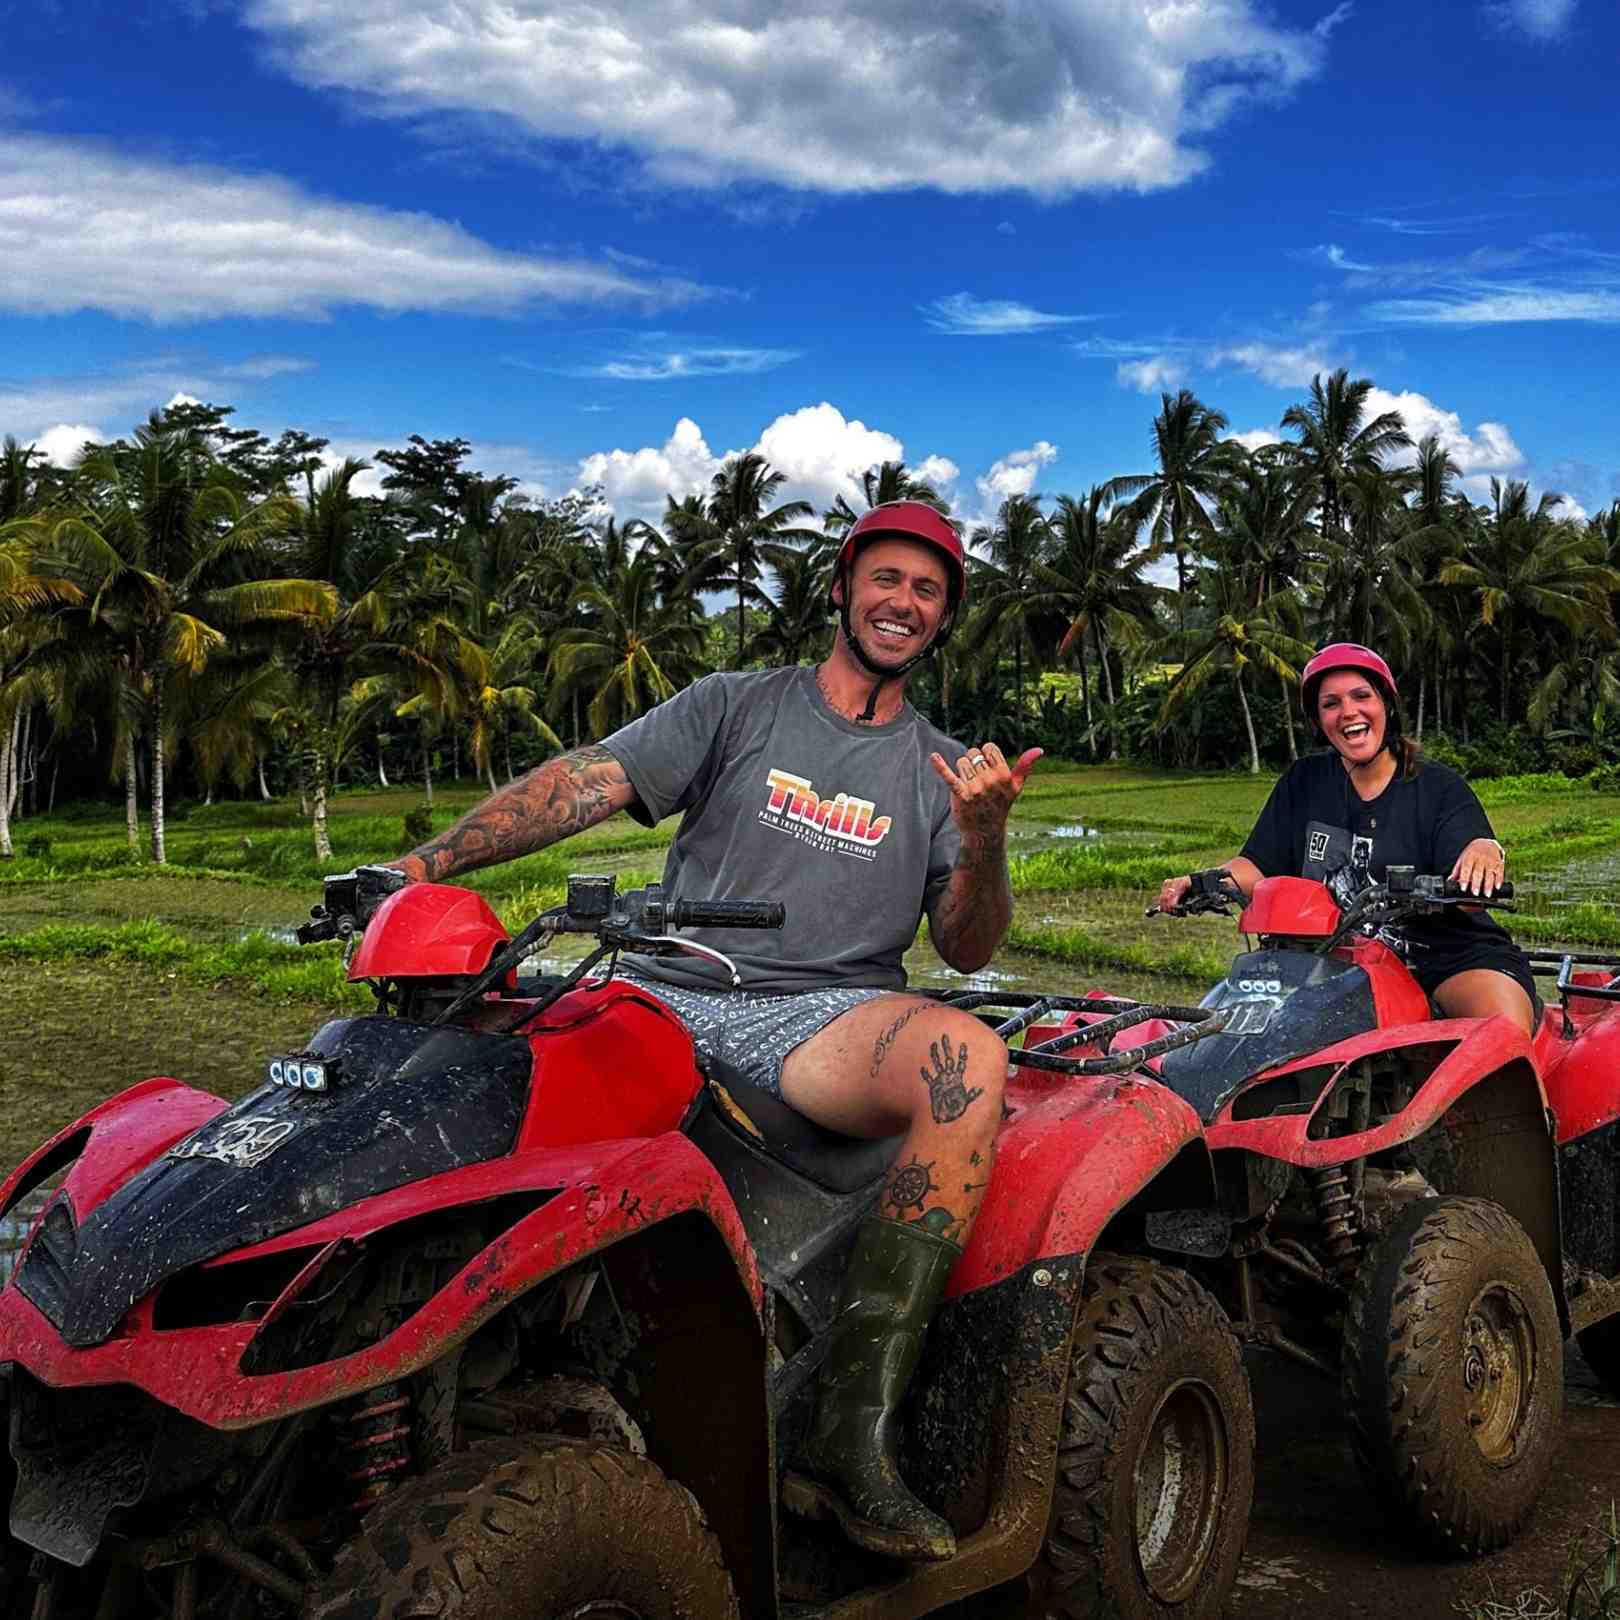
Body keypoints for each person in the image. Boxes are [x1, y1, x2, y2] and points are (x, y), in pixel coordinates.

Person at [387, 500, 1041, 1562]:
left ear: (942, 619)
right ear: (842, 589)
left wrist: (983, 840)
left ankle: (848, 1437)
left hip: (820, 1016)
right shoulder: (737, 706)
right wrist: (426, 867)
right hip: (666, 983)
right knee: (467, 1071)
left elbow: (966, 948)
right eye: (885, 578)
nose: (902, 603)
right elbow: (586, 783)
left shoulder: (942, 771)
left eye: (927, 591)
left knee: (967, 1059)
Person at [1156, 642, 1535, 1034]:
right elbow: (1257, 866)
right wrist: (1202, 882)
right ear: (1319, 720)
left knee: (1501, 1032)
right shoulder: (1304, 783)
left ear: (1386, 704)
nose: (1348, 712)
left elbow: (1472, 859)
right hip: (1332, 965)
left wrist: (1483, 852)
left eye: (1361, 696)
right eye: (1331, 704)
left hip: (1444, 959)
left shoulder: (1437, 787)